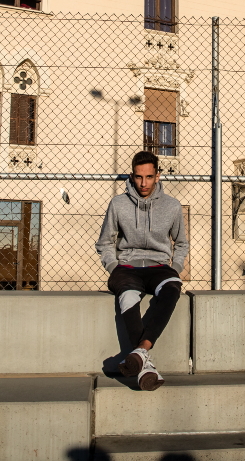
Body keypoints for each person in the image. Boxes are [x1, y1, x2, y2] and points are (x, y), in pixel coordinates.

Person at [96, 150, 188, 392]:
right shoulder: (118, 204)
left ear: (158, 176)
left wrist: (175, 268)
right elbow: (105, 242)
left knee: (172, 288)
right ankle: (145, 364)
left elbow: (181, 243)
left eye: (148, 177)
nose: (143, 183)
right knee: (127, 295)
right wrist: (113, 266)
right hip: (126, 267)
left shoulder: (172, 206)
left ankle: (140, 353)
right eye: (138, 177)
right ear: (132, 176)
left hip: (159, 266)